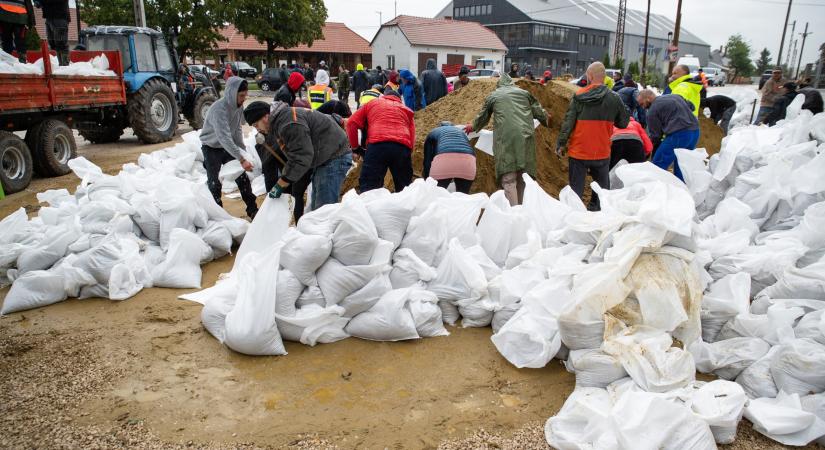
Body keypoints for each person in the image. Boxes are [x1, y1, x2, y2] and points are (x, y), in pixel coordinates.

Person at [245, 101, 352, 217]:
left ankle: (326, 233)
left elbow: (301, 156)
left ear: (266, 117)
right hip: (325, 156)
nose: (257, 130)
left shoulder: (287, 123)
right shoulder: (282, 119)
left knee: (323, 211)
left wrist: (281, 183)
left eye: (256, 125)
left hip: (334, 157)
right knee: (317, 207)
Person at [464, 73, 549, 206]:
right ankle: (520, 210)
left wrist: (473, 126)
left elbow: (483, 117)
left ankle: (514, 213)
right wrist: (546, 118)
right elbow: (540, 112)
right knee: (522, 176)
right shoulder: (524, 93)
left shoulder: (494, 95)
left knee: (509, 179)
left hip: (506, 139)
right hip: (526, 138)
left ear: (499, 85)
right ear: (511, 83)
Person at [556, 62, 630, 211]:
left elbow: (568, 123)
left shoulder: (578, 96)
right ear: (604, 77)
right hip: (601, 151)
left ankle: (574, 218)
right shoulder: (614, 98)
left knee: (576, 191)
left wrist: (561, 143)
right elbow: (623, 123)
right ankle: (597, 216)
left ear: (589, 76)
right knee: (602, 192)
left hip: (579, 152)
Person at [199, 77, 258, 219]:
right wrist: (241, 159)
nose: (244, 99)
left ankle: (252, 209)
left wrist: (243, 151)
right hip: (211, 147)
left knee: (242, 178)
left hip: (228, 147)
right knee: (214, 183)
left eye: (245, 95)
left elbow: (237, 130)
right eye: (241, 95)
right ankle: (217, 215)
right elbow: (223, 137)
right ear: (232, 93)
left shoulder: (238, 107)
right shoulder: (219, 109)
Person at [346, 90, 415, 193]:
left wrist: (355, 148)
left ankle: (369, 207)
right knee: (405, 189)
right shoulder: (407, 110)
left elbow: (351, 123)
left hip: (377, 145)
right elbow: (412, 137)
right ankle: (404, 207)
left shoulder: (372, 103)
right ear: (399, 100)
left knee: (370, 188)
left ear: (384, 97)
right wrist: (406, 154)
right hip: (402, 147)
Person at [638, 90, 700, 182]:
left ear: (648, 99)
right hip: (695, 131)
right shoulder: (675, 96)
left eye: (642, 104)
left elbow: (656, 136)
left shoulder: (652, 111)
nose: (642, 107)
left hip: (678, 135)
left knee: (658, 164)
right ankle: (681, 188)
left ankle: (654, 188)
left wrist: (649, 151)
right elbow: (692, 106)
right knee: (681, 163)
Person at [423, 121, 476, 193]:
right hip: (469, 162)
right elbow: (468, 148)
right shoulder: (460, 132)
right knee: (463, 197)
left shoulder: (433, 132)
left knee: (435, 196)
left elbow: (427, 160)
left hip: (444, 161)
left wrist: (427, 180)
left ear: (439, 127)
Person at [34, 0, 68, 65]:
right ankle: (61, 66)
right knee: (53, 44)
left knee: (61, 44)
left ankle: (65, 67)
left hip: (59, 17)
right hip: (49, 18)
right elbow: (38, 5)